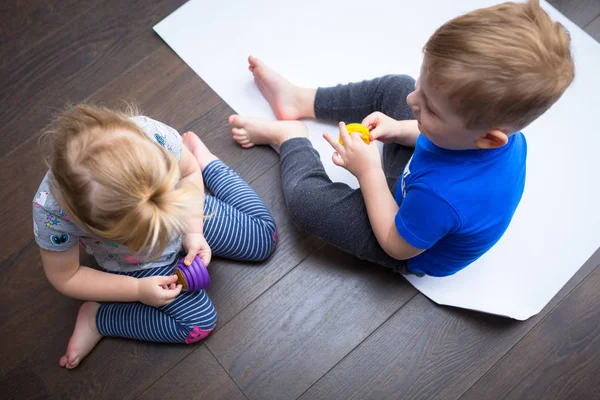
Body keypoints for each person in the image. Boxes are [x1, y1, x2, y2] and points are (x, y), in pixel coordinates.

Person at [228, 0, 574, 277]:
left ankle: (291, 138)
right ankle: (300, 100)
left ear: (489, 139)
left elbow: (395, 243)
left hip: (405, 236)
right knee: (396, 84)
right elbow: (437, 142)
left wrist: (369, 173)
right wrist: (398, 129)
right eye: (421, 88)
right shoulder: (480, 136)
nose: (412, 102)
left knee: (307, 204)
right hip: (421, 189)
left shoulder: (443, 198)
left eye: (431, 109)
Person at [33, 105, 277, 368]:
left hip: (182, 211)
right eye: (141, 233)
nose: (160, 235)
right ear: (84, 221)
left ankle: (209, 163)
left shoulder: (152, 135)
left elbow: (187, 173)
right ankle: (98, 318)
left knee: (264, 239)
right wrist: (137, 290)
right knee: (197, 326)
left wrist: (193, 230)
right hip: (134, 263)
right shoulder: (53, 214)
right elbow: (66, 276)